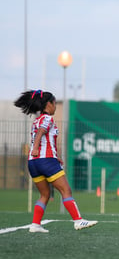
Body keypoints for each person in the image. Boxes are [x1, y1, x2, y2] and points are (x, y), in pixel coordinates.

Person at [14, 90, 98, 233]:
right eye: (54, 103)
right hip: (46, 161)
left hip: (33, 163)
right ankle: (78, 220)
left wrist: (54, 155)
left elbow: (44, 139)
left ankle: (35, 225)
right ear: (49, 104)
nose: (55, 107)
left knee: (45, 194)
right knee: (66, 190)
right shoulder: (47, 119)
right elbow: (41, 132)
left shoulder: (36, 120)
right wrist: (35, 148)